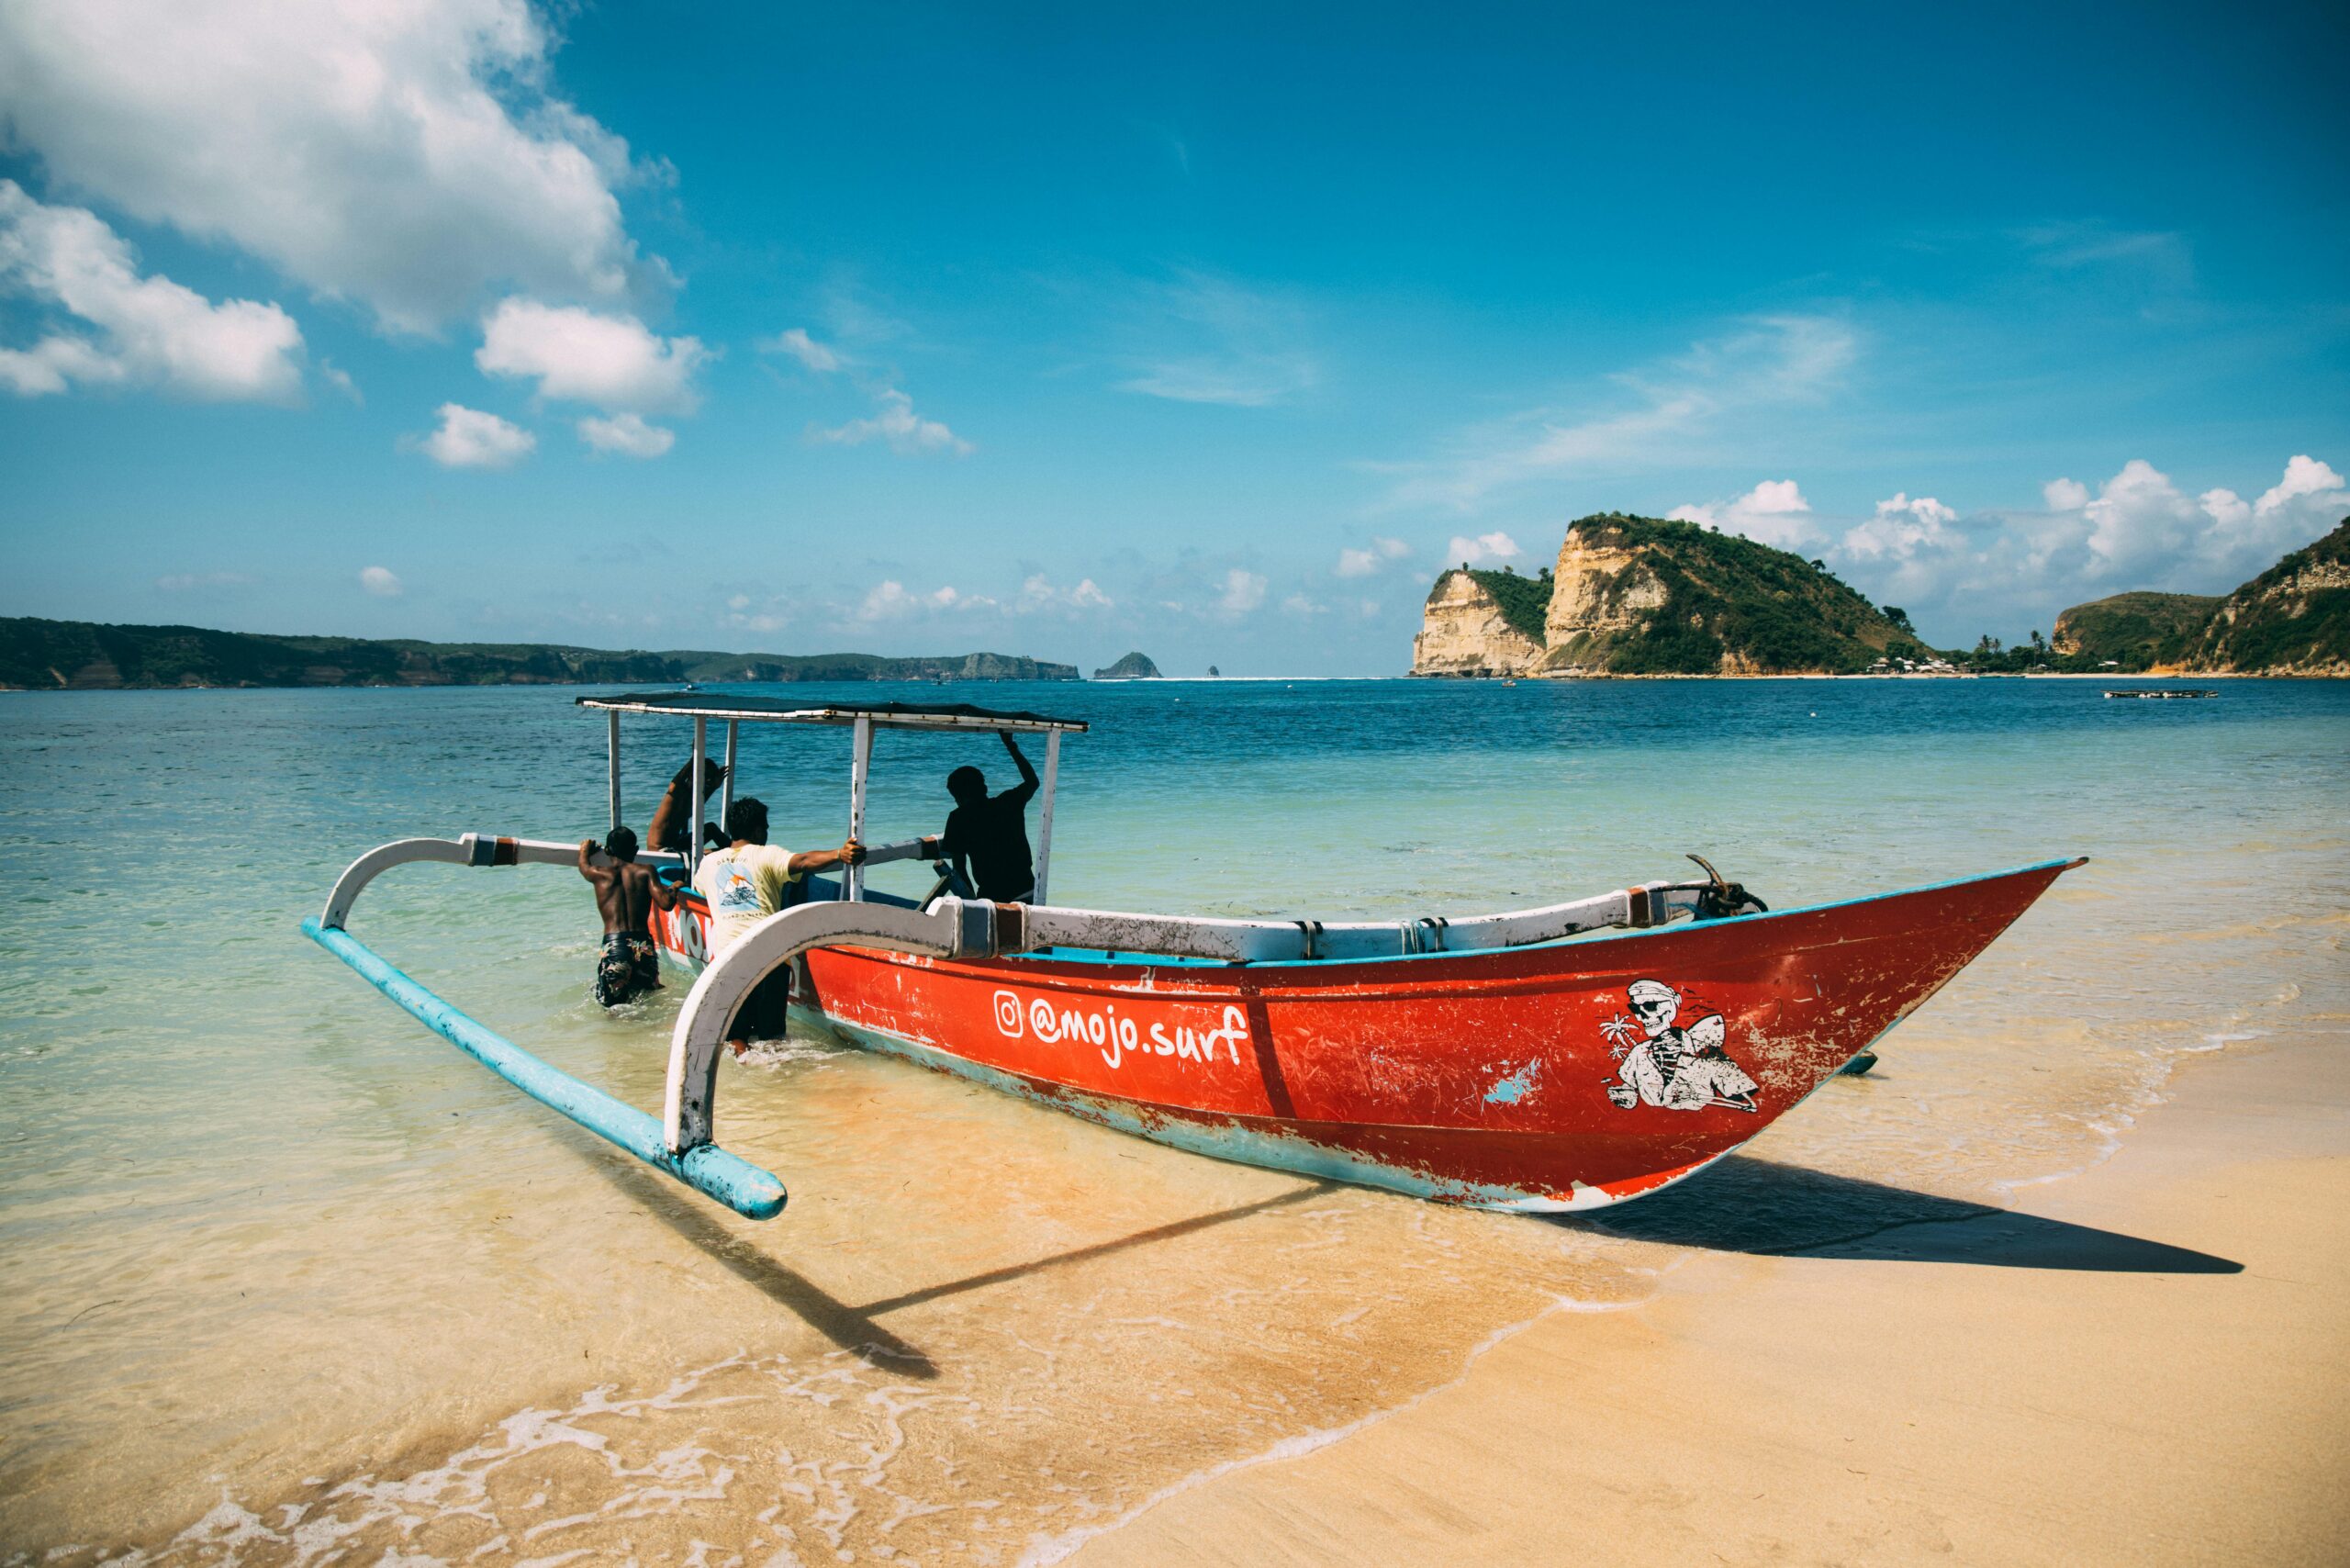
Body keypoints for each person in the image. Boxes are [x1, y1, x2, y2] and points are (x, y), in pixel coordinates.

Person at [692, 798, 864, 1055]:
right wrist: (839, 854)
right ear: (758, 830)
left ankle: (747, 1072)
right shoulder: (766, 854)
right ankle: (776, 1080)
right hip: (770, 957)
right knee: (772, 1038)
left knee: (736, 1036)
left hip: (728, 958)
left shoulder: (708, 864)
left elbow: (699, 889)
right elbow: (804, 861)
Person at [576, 825, 677, 1008]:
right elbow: (666, 903)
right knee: (647, 1004)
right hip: (643, 946)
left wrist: (585, 850)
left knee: (613, 1008)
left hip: (615, 947)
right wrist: (674, 888)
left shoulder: (599, 874)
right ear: (636, 850)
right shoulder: (646, 871)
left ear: (607, 850)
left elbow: (583, 867)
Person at [937, 732, 1042, 902]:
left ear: (958, 796)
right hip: (1028, 890)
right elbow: (1033, 782)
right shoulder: (1009, 802)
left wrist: (970, 903)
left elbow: (960, 869)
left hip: (992, 896)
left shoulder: (958, 818)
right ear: (984, 788)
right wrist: (1011, 746)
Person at [647, 756, 729, 857]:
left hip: (674, 846)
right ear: (692, 777)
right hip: (660, 850)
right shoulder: (678, 793)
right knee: (718, 850)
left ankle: (735, 851)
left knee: (712, 830)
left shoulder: (689, 798)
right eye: (706, 782)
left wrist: (714, 787)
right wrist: (693, 760)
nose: (705, 786)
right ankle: (733, 852)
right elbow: (673, 786)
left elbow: (698, 804)